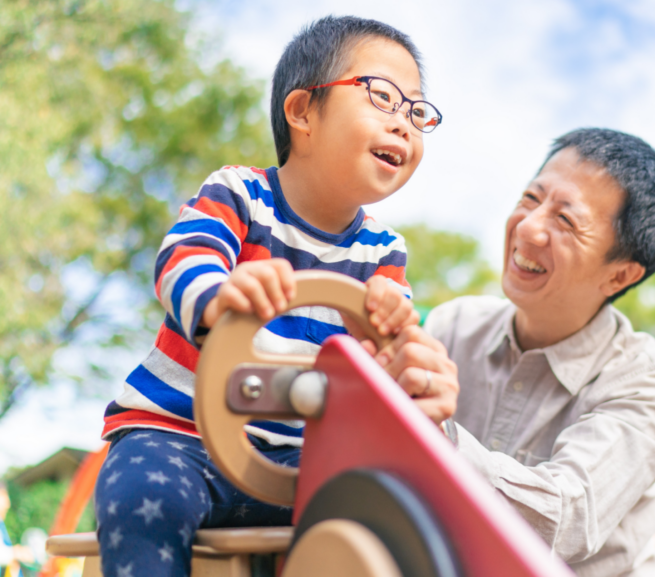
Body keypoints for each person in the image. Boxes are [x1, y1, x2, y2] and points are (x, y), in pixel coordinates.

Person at [94, 16, 441, 577]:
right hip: (178, 437)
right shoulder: (240, 194)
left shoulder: (384, 251)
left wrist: (394, 339)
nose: (404, 124)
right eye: (382, 97)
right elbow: (183, 259)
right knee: (141, 501)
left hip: (295, 459)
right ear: (303, 110)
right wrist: (219, 294)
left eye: (416, 111)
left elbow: (384, 359)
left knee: (381, 511)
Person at [363, 128, 655, 576]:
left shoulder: (650, 387)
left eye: (566, 220)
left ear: (619, 276)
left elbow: (566, 517)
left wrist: (429, 437)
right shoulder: (454, 326)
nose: (529, 227)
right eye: (531, 198)